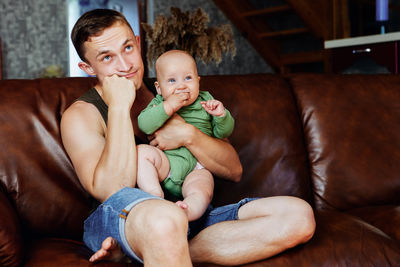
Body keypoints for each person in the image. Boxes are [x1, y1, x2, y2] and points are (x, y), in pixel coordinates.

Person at [61, 8, 316, 266]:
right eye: (106, 57)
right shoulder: (81, 115)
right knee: (163, 221)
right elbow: (111, 191)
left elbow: (233, 169)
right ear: (87, 67)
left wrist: (188, 135)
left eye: (128, 48)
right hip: (120, 220)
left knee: (298, 216)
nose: (125, 66)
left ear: (138, 43)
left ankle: (152, 252)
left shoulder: (174, 91)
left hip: (187, 215)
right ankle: (155, 244)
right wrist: (118, 106)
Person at [137, 50, 234, 221]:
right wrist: (169, 106)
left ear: (198, 82)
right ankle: (154, 196)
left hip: (197, 167)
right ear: (159, 88)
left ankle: (187, 211)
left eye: (188, 78)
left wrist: (221, 116)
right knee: (141, 153)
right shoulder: (159, 103)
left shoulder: (205, 100)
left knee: (203, 189)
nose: (181, 86)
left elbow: (222, 133)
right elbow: (145, 124)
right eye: (172, 80)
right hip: (167, 164)